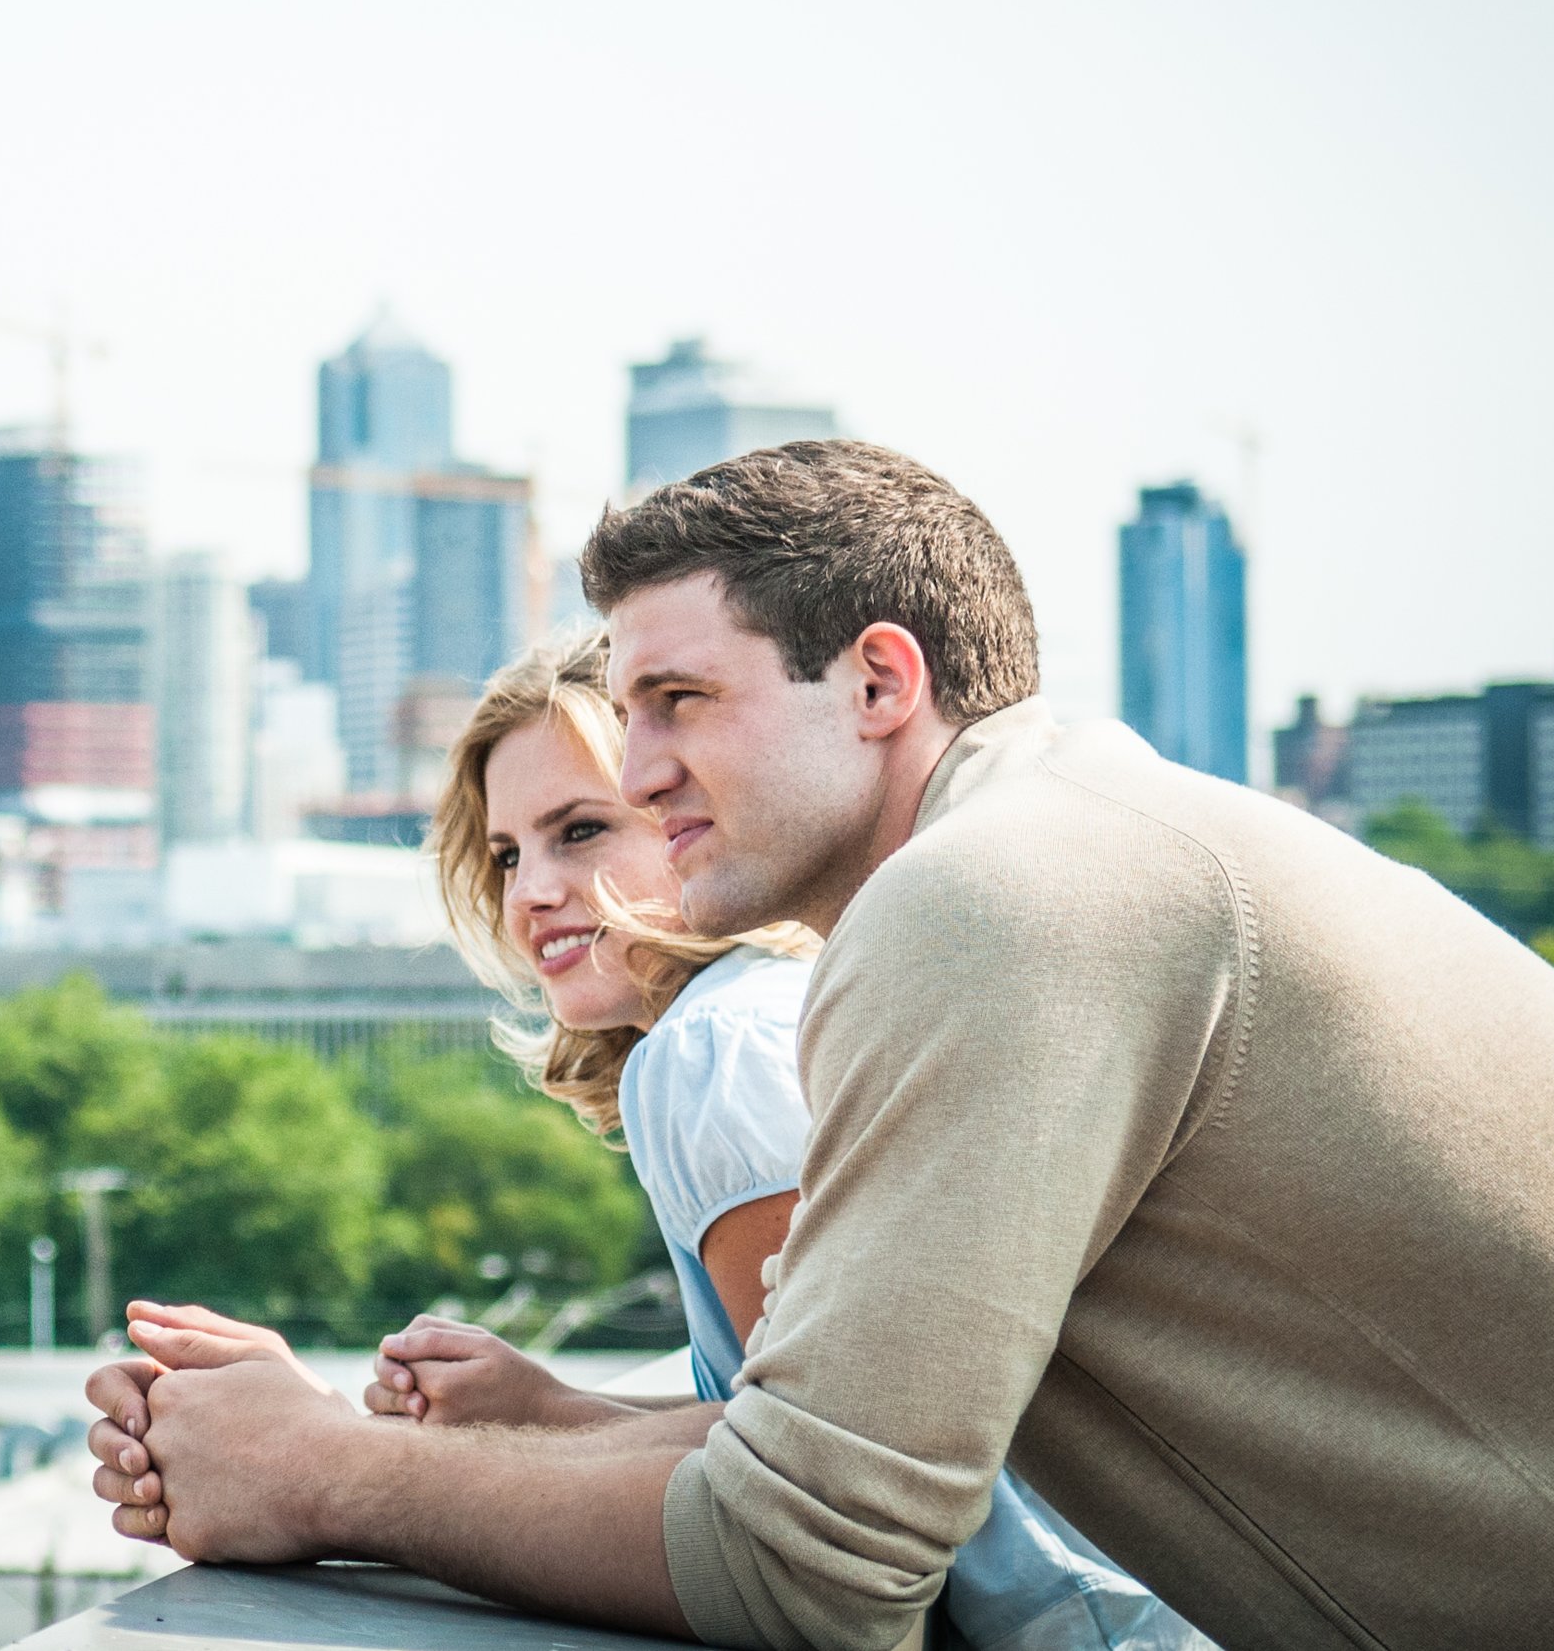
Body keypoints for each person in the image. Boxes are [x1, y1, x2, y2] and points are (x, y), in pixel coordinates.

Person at [87, 441, 1554, 1648]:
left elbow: (816, 1562)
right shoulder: (1084, 839)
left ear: (877, 680)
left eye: (680, 701)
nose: (642, 773)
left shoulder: (991, 900)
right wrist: (551, 1424)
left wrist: (318, 1474)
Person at [368, 629, 1196, 1650]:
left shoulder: (715, 1047)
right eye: (505, 855)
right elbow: (817, 1416)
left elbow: (821, 1469)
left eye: (580, 831)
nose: (529, 892)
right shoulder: (783, 1011)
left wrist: (346, 1467)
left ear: (688, 820)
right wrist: (546, 1407)